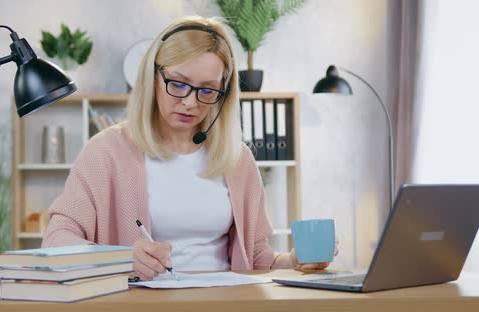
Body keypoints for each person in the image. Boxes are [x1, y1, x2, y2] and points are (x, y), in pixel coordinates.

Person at [42, 16, 337, 281]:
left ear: (223, 94)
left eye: (208, 90)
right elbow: (56, 239)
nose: (191, 102)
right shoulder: (106, 151)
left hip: (225, 301)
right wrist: (119, 260)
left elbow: (257, 256)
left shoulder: (237, 159)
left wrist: (293, 261)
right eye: (178, 84)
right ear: (153, 77)